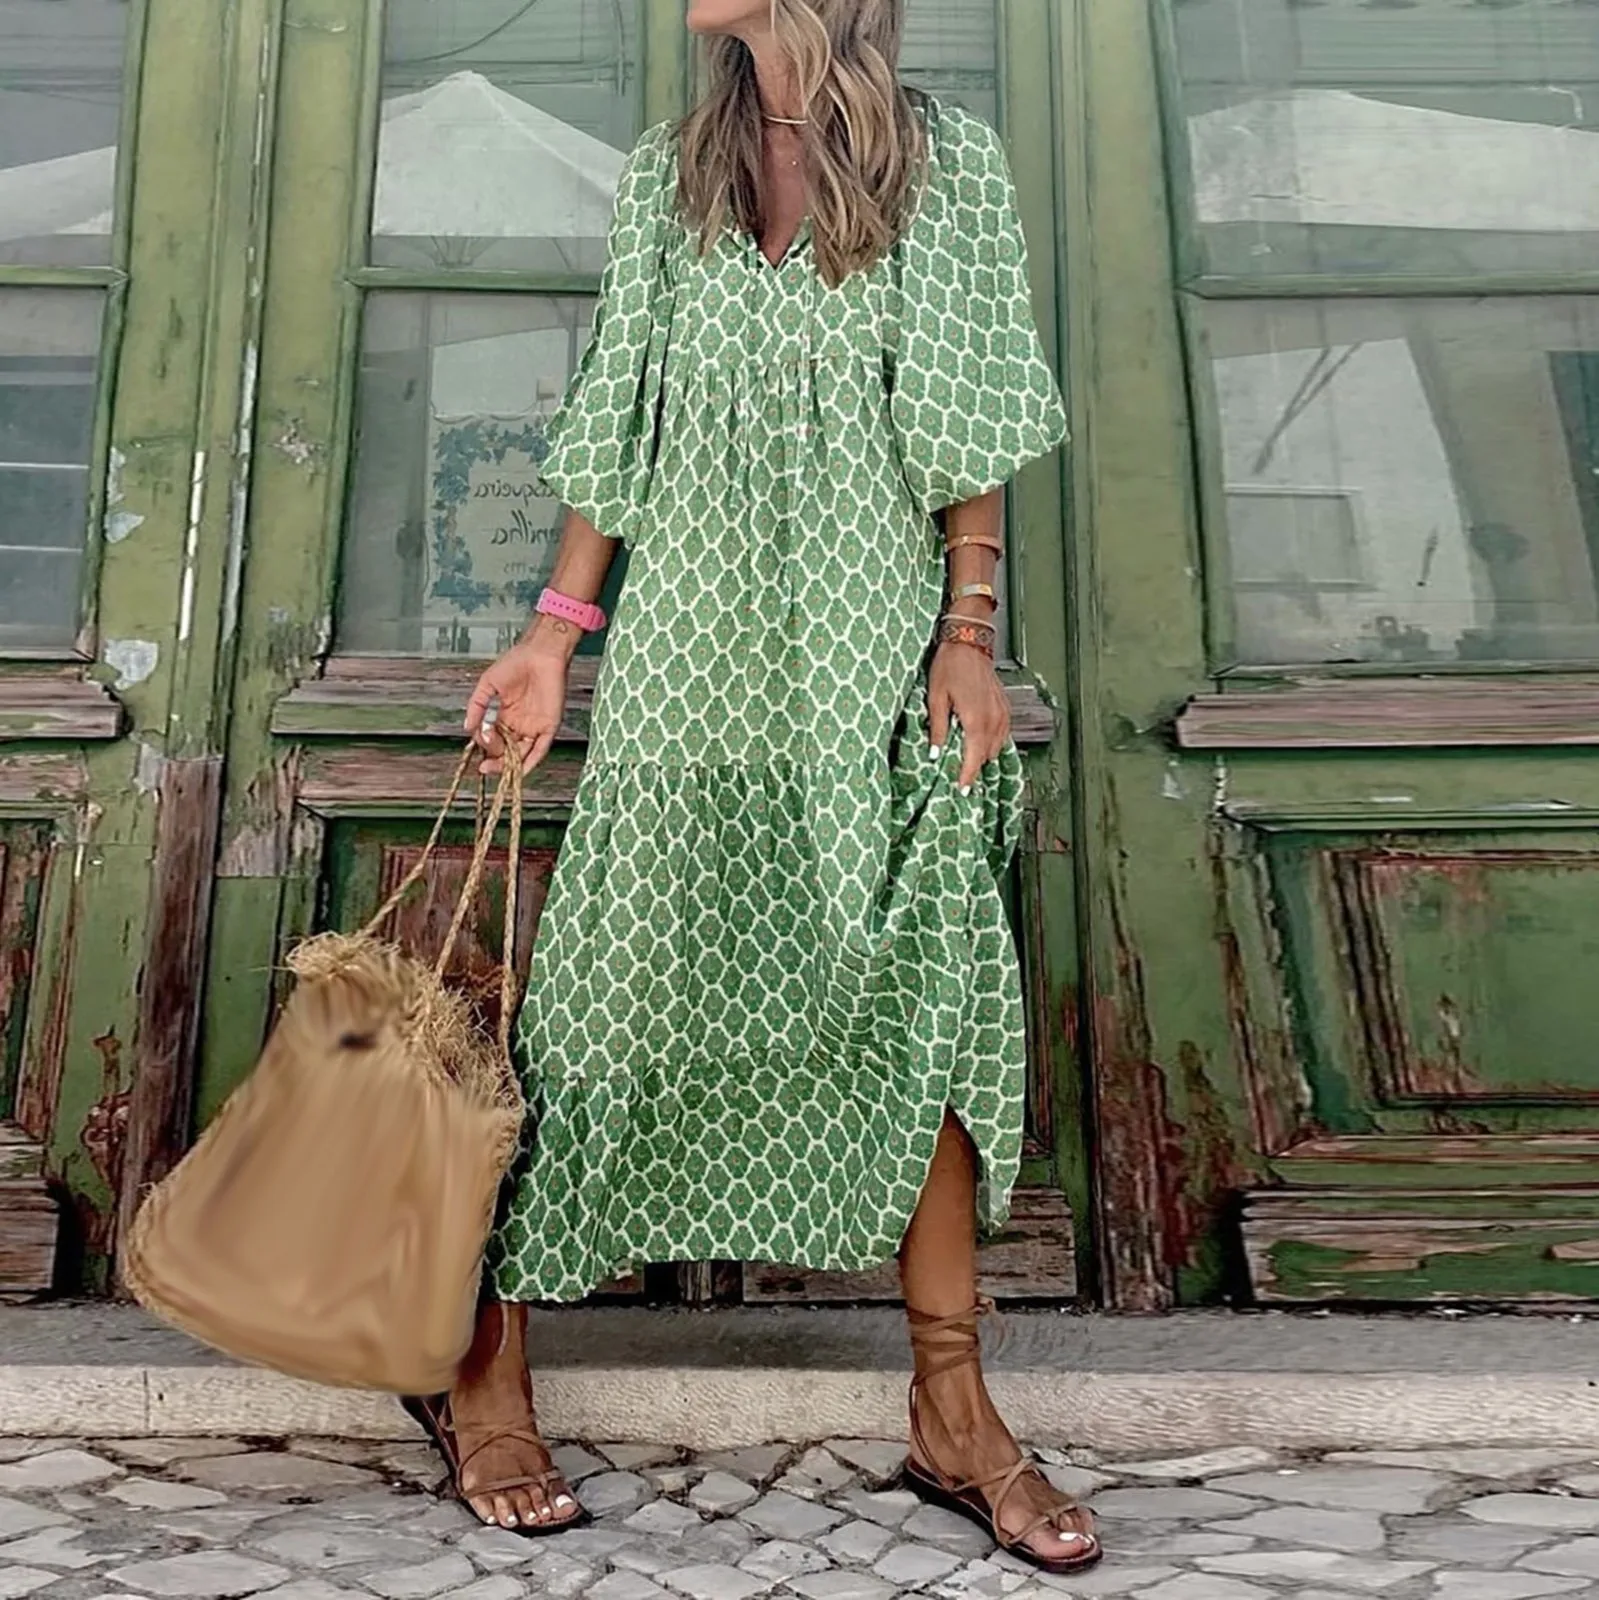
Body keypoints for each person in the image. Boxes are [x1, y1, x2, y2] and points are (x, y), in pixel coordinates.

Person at [414, 0, 1098, 1574]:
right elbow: (621, 418)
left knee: (908, 981)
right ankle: (485, 1361)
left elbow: (973, 412)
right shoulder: (677, 169)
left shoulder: (947, 163)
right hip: (685, 661)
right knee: (606, 997)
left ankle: (951, 1406)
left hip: (866, 651)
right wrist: (547, 639)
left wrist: (969, 630)